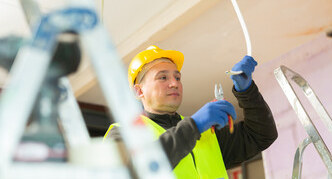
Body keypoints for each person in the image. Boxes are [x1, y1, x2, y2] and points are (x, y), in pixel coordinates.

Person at [104, 45, 278, 178]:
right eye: (163, 77)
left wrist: (246, 91)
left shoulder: (207, 134)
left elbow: (261, 135)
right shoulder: (123, 133)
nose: (174, 83)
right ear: (139, 91)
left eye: (177, 77)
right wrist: (194, 126)